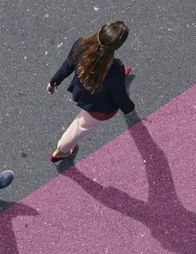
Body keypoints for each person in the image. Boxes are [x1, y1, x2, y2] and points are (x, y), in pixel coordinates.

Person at [47, 20, 134, 163]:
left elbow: (67, 65)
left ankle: (62, 151)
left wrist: (53, 82)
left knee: (79, 126)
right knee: (80, 126)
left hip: (85, 93)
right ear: (118, 47)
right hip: (100, 107)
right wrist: (128, 109)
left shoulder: (81, 44)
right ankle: (61, 150)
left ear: (100, 30)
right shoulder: (114, 70)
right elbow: (119, 96)